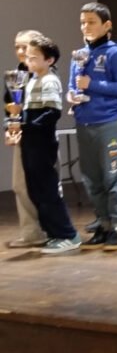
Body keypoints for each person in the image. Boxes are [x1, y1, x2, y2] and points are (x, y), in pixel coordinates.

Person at [71, 2, 117, 251]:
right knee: (91, 177)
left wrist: (93, 85)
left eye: (91, 22)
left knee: (113, 175)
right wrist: (71, 95)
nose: (85, 27)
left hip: (109, 122)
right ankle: (103, 222)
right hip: (84, 122)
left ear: (107, 25)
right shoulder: (78, 55)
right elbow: (74, 85)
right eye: (82, 22)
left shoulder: (114, 53)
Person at [8, 35, 81, 254]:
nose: (28, 61)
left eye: (34, 58)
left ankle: (67, 234)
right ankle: (53, 233)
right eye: (28, 58)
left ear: (49, 60)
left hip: (42, 142)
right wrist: (16, 121)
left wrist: (26, 125)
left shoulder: (49, 80)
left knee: (47, 189)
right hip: (30, 141)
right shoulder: (31, 80)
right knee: (36, 189)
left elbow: (51, 113)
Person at [4, 30, 47, 248]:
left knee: (43, 185)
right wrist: (10, 127)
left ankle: (53, 230)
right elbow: (10, 108)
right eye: (17, 47)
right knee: (20, 185)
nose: (21, 51)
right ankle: (31, 232)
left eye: (25, 46)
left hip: (41, 137)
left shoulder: (45, 74)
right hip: (22, 136)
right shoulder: (16, 76)